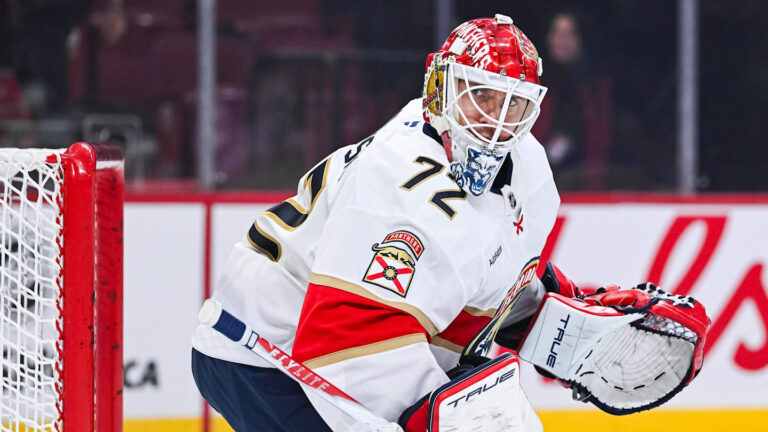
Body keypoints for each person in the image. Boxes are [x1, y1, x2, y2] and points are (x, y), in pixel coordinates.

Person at [191, 13, 707, 431]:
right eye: (481, 94)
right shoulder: (398, 185)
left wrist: (554, 315)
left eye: (514, 103)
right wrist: (444, 417)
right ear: (440, 87)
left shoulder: (528, 165)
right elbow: (345, 340)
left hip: (345, 336)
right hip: (265, 354)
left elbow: (469, 278)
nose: (496, 119)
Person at [531, 11, 612, 190]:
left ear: (581, 38)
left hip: (585, 182)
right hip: (535, 181)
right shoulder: (534, 81)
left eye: (569, 34)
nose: (561, 40)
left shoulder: (596, 85)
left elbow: (599, 136)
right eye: (556, 32)